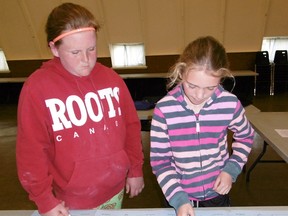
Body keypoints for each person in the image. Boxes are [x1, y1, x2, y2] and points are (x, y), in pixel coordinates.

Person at [16, 3, 144, 216]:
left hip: (114, 190)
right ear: (54, 48)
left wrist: (135, 169)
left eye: (91, 49)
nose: (86, 60)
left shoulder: (112, 79)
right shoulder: (37, 88)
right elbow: (32, 151)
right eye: (75, 52)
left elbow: (131, 127)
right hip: (71, 200)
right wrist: (44, 200)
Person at [150, 36, 254, 216]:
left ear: (221, 78)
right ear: (181, 72)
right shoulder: (164, 110)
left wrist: (231, 170)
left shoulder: (229, 104)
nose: (199, 95)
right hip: (179, 196)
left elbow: (246, 137)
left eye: (210, 88)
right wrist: (178, 199)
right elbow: (161, 162)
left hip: (217, 194)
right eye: (192, 85)